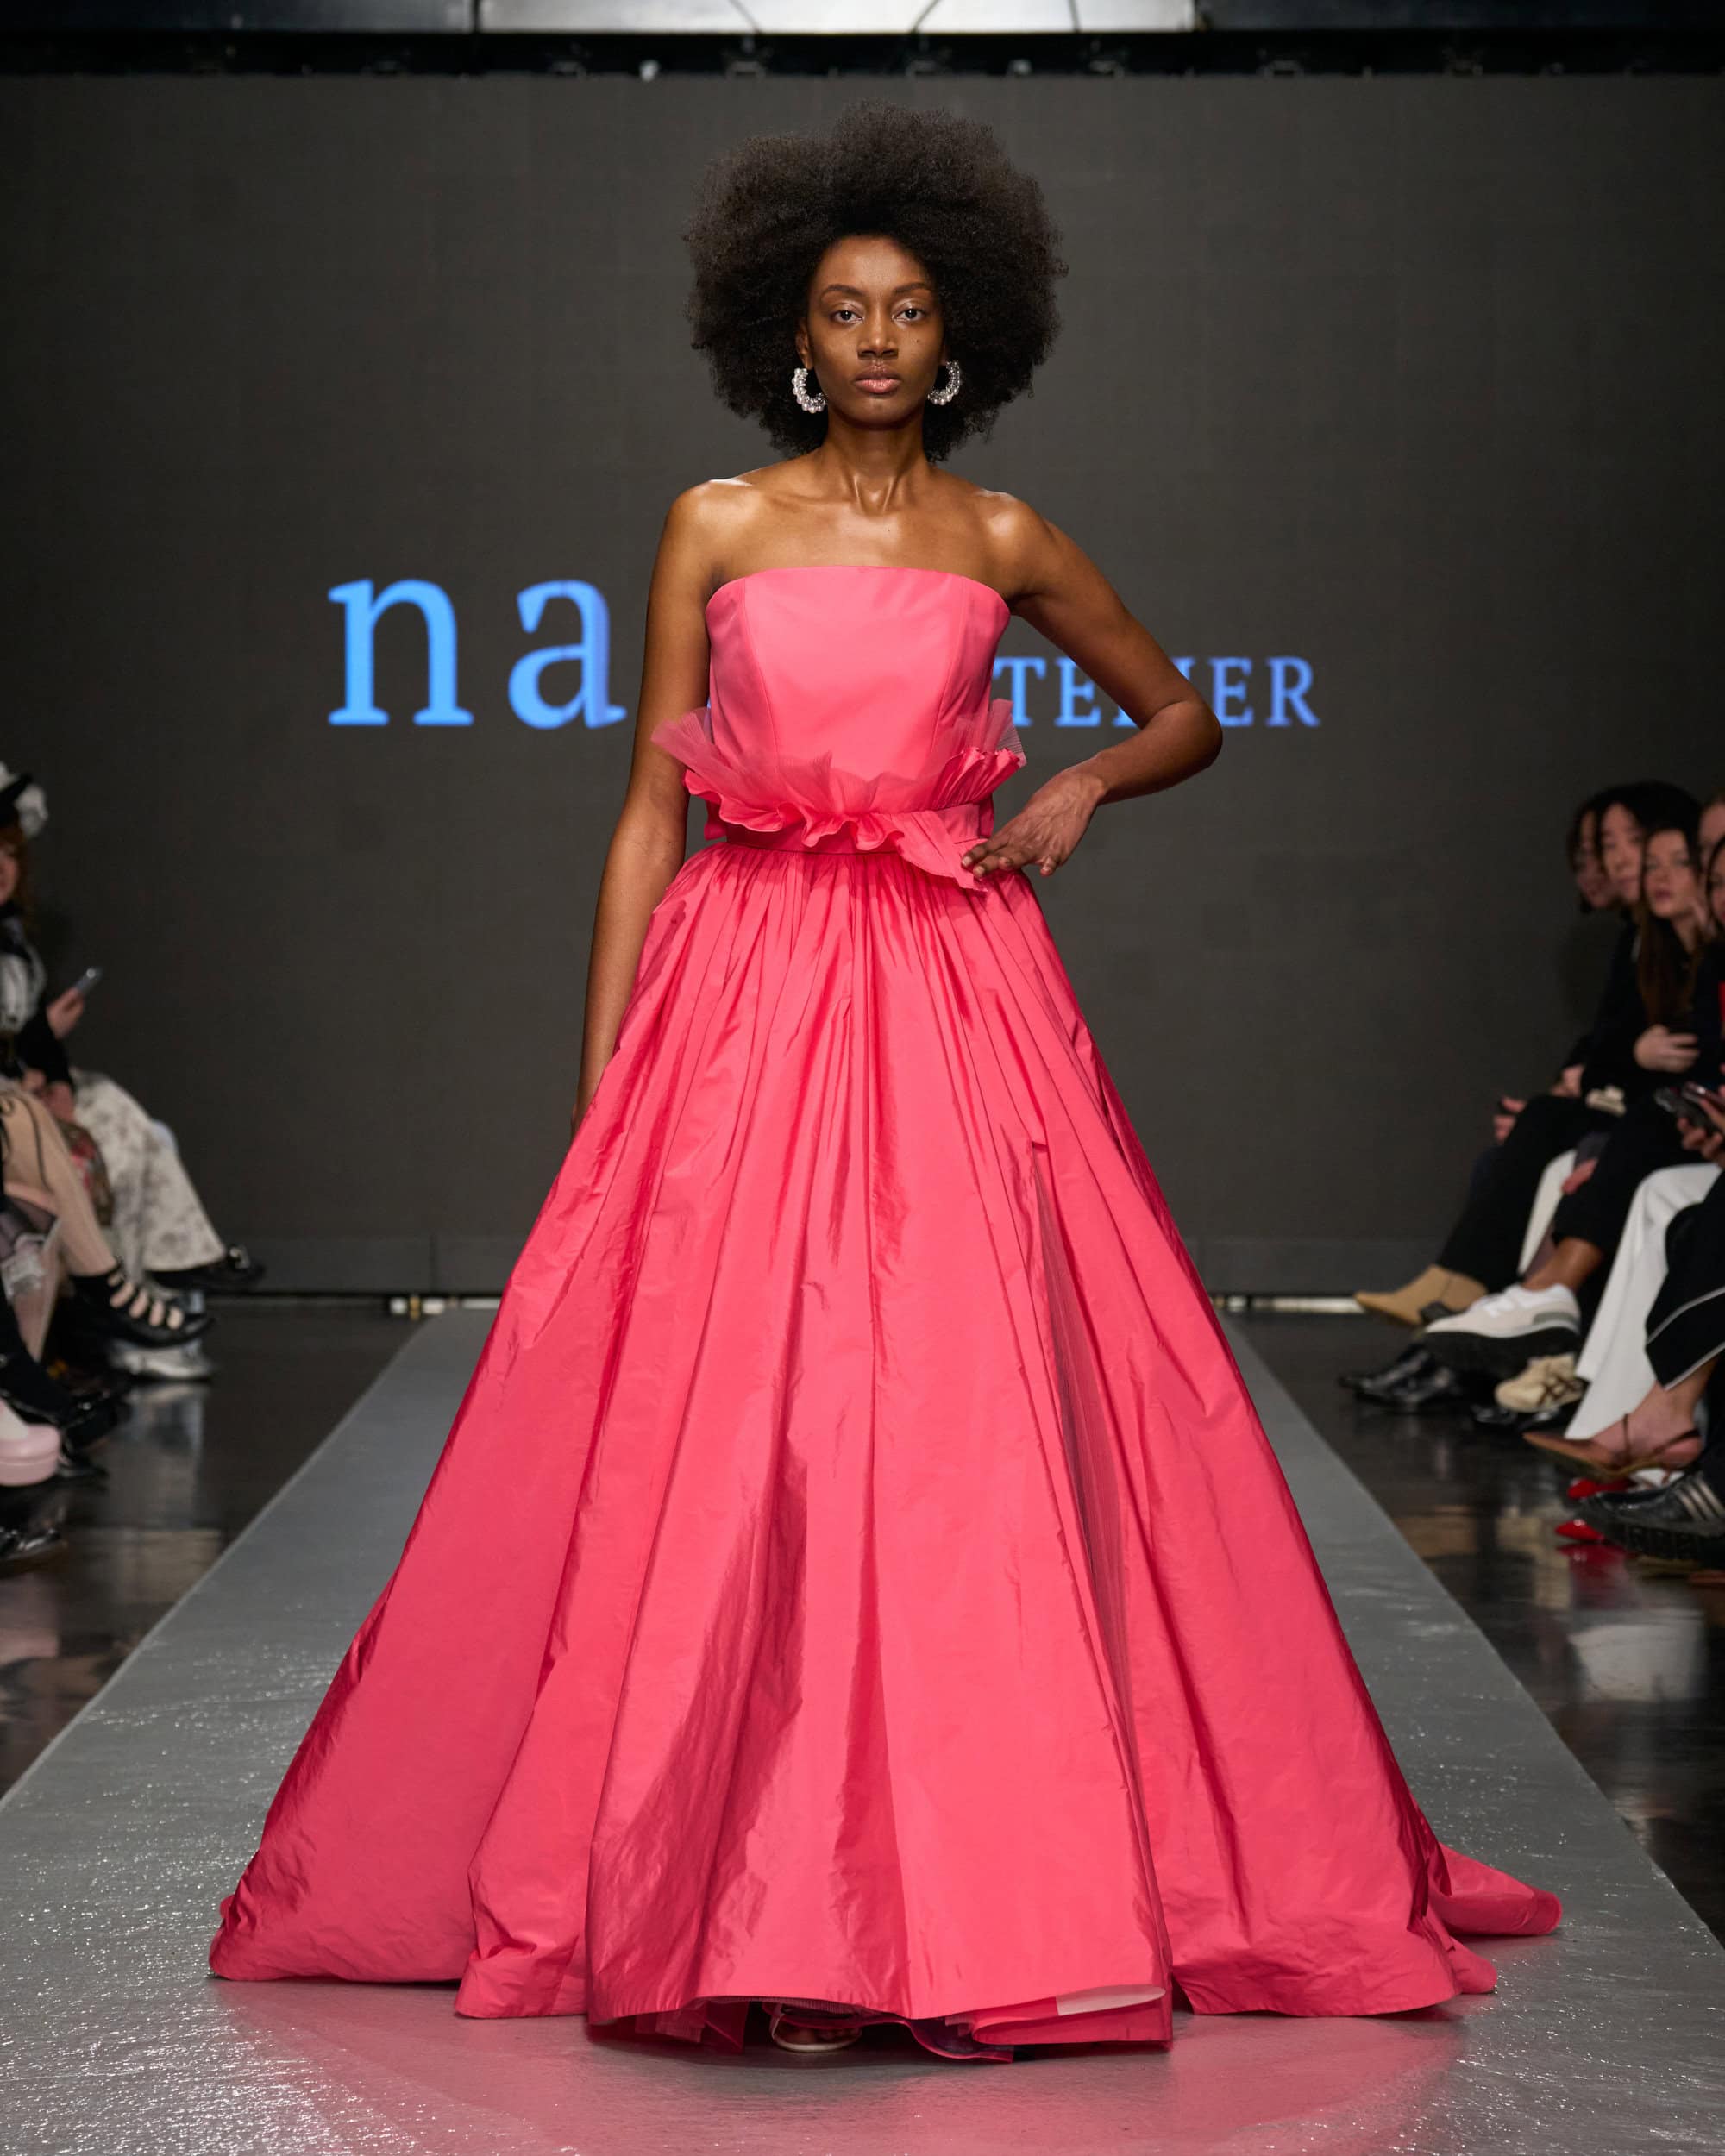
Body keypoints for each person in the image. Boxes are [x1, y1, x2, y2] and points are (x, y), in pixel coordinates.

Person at [208, 102, 1558, 2063]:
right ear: (789, 332)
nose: (873, 341)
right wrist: (606, 1076)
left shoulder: (1000, 539)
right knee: (736, 1424)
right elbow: (646, 812)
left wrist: (1083, 784)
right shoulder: (713, 522)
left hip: (946, 991)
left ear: (957, 339)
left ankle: (936, 1898)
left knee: (941, 1428)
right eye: (843, 311)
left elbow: (1183, 711)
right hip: (743, 991)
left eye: (907, 312)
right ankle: (738, 1881)